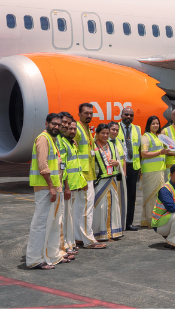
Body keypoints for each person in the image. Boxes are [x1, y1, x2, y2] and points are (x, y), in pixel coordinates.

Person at [27, 113, 68, 269]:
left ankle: (52, 254)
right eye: (53, 124)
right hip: (45, 187)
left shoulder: (53, 140)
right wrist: (51, 186)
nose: (56, 127)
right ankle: (34, 259)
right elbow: (43, 166)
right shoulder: (43, 139)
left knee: (54, 223)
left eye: (58, 124)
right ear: (47, 123)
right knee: (41, 224)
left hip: (54, 187)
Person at [140, 116, 175, 228]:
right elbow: (144, 153)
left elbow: (164, 151)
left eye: (157, 123)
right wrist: (160, 152)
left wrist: (174, 152)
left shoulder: (158, 137)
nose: (156, 125)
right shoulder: (146, 137)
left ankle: (156, 217)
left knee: (158, 195)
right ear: (149, 125)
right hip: (150, 170)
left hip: (160, 169)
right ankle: (150, 219)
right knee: (150, 196)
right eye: (153, 124)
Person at [73, 103, 100, 248]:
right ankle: (89, 240)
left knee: (80, 209)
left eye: (91, 113)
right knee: (86, 210)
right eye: (86, 113)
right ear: (79, 113)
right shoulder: (77, 130)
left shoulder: (87, 130)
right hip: (83, 176)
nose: (89, 115)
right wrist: (80, 176)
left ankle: (79, 237)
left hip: (88, 174)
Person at [92, 123, 124, 241]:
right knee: (101, 207)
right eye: (103, 133)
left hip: (112, 180)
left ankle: (112, 232)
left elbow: (119, 160)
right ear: (97, 133)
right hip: (99, 181)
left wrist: (117, 163)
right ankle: (100, 233)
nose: (105, 135)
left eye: (107, 133)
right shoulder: (93, 146)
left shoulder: (112, 145)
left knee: (113, 206)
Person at [58, 114, 84, 256]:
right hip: (67, 186)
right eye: (69, 127)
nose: (72, 130)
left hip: (74, 185)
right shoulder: (62, 142)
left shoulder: (71, 142)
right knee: (65, 218)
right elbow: (64, 167)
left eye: (74, 128)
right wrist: (67, 187)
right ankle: (65, 245)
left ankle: (70, 242)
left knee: (70, 217)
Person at [117, 107, 142, 231]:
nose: (128, 117)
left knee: (132, 196)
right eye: (126, 114)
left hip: (133, 166)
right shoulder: (115, 127)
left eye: (131, 115)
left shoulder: (137, 129)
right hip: (120, 166)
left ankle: (129, 223)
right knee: (119, 195)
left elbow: (140, 149)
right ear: (121, 115)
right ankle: (119, 222)